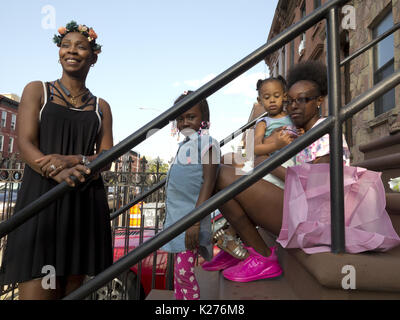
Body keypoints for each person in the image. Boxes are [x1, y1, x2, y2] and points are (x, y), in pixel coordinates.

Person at [213, 60, 400, 283]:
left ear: (319, 100)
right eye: (290, 101)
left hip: (316, 218)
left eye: (302, 100)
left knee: (222, 175)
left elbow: (315, 188)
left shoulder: (327, 134)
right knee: (224, 163)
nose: (293, 106)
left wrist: (266, 163)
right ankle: (244, 245)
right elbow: (248, 150)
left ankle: (263, 258)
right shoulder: (295, 131)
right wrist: (257, 120)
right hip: (297, 203)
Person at [0, 21, 113, 299]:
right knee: (38, 287)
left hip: (83, 205)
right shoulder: (37, 90)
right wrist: (55, 172)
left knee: (73, 289)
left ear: (94, 56)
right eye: (65, 45)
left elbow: (107, 156)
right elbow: (25, 144)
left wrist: (74, 159)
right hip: (41, 202)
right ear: (58, 52)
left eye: (81, 46)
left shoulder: (101, 107)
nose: (71, 51)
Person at [203, 75, 301, 272]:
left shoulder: (294, 117)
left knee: (220, 171)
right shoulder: (263, 122)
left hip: (284, 171)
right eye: (266, 97)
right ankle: (236, 237)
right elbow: (252, 147)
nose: (272, 100)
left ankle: (234, 236)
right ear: (260, 101)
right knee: (222, 161)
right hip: (266, 166)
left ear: (284, 96)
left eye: (276, 96)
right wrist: (275, 144)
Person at [162, 91, 220, 300]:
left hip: (190, 221)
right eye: (180, 118)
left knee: (184, 273)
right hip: (178, 221)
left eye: (191, 117)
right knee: (178, 274)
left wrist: (195, 222)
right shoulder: (184, 146)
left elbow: (209, 182)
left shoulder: (207, 143)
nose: (184, 121)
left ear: (204, 118)